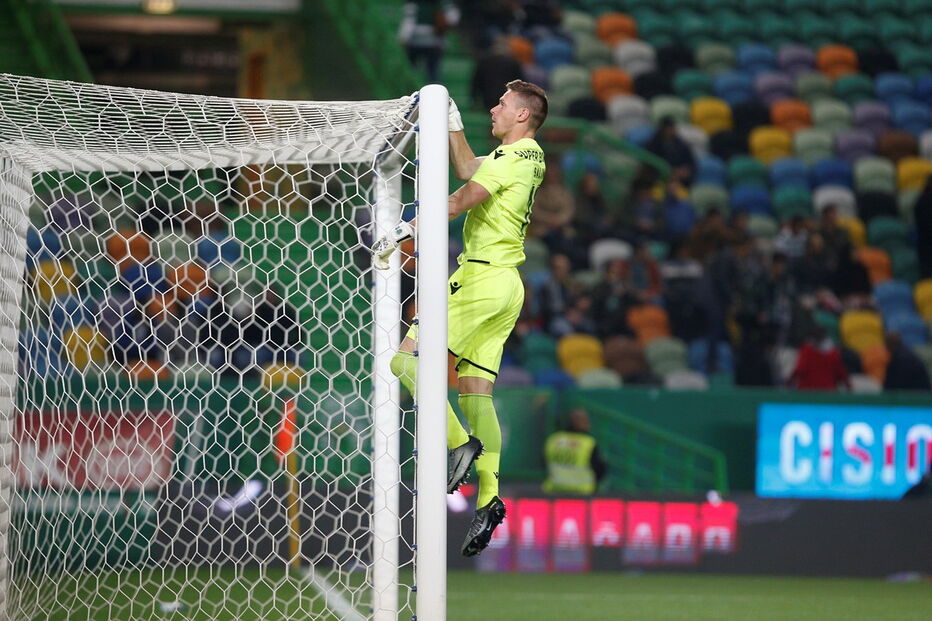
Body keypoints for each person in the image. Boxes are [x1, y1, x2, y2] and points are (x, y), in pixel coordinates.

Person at [371, 80, 548, 556]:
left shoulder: (517, 156)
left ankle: (456, 446)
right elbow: (470, 167)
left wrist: (406, 228)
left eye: (503, 104)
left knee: (404, 362)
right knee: (475, 393)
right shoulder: (521, 158)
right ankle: (490, 498)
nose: (494, 108)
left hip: (479, 280)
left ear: (523, 116)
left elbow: (459, 198)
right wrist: (450, 121)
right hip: (507, 286)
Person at [542, 408, 607, 495]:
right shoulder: (588, 443)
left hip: (554, 491)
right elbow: (600, 469)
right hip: (582, 493)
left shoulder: (554, 439)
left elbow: (544, 463)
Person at [398, 0, 460, 83]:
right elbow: (454, 18)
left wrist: (403, 39)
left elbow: (408, 23)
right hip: (434, 41)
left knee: (413, 71)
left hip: (416, 41)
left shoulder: (414, 4)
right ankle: (433, 91)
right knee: (432, 73)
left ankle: (411, 89)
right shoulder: (443, 3)